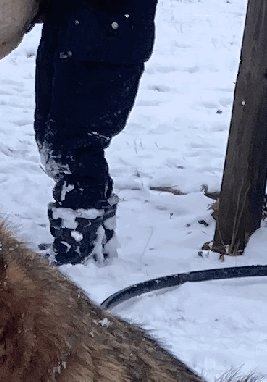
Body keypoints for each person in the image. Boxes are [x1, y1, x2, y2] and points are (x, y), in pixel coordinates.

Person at [34, 0, 159, 265]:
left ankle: (79, 249)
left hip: (106, 37)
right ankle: (94, 234)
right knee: (52, 140)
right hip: (72, 23)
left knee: (74, 146)